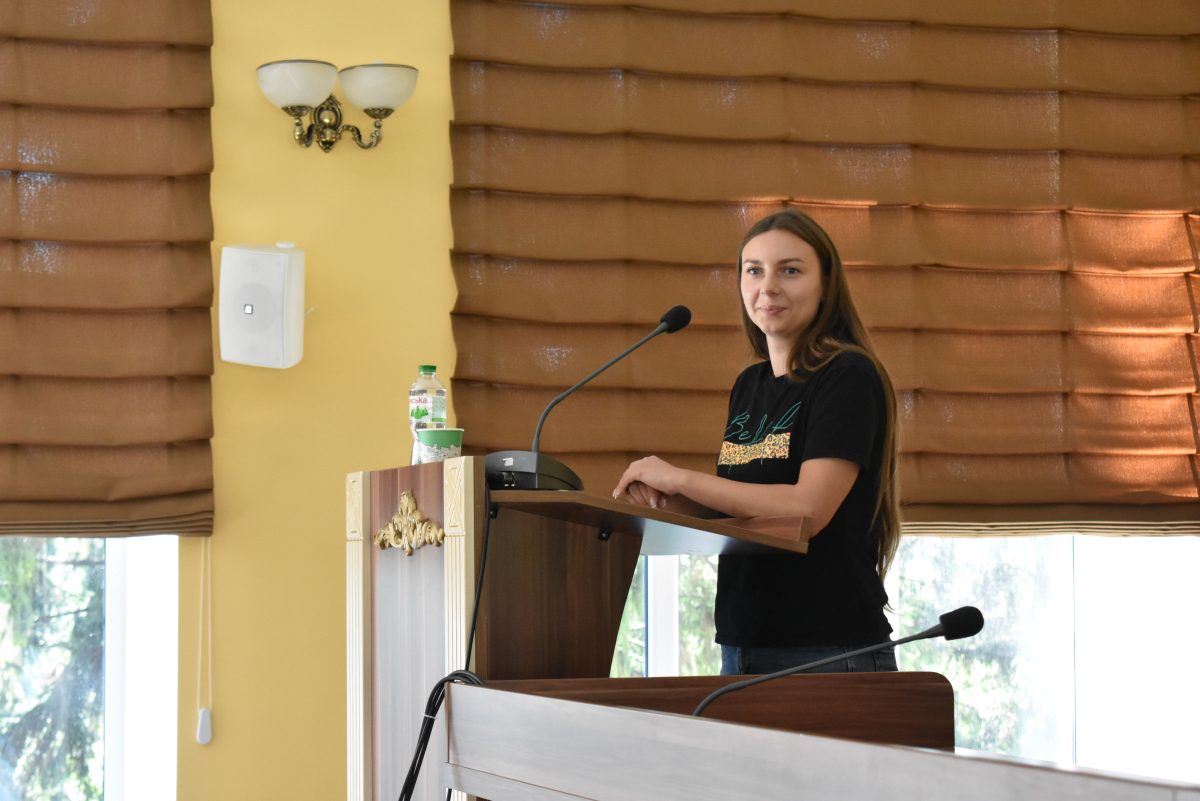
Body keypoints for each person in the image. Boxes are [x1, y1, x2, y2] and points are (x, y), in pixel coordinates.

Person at [612, 209, 900, 675]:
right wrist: (662, 500)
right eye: (754, 271)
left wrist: (679, 477)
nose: (768, 287)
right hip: (743, 640)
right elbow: (739, 506)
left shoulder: (847, 376)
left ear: (826, 284)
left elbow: (807, 510)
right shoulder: (750, 384)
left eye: (790, 270)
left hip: (828, 646)